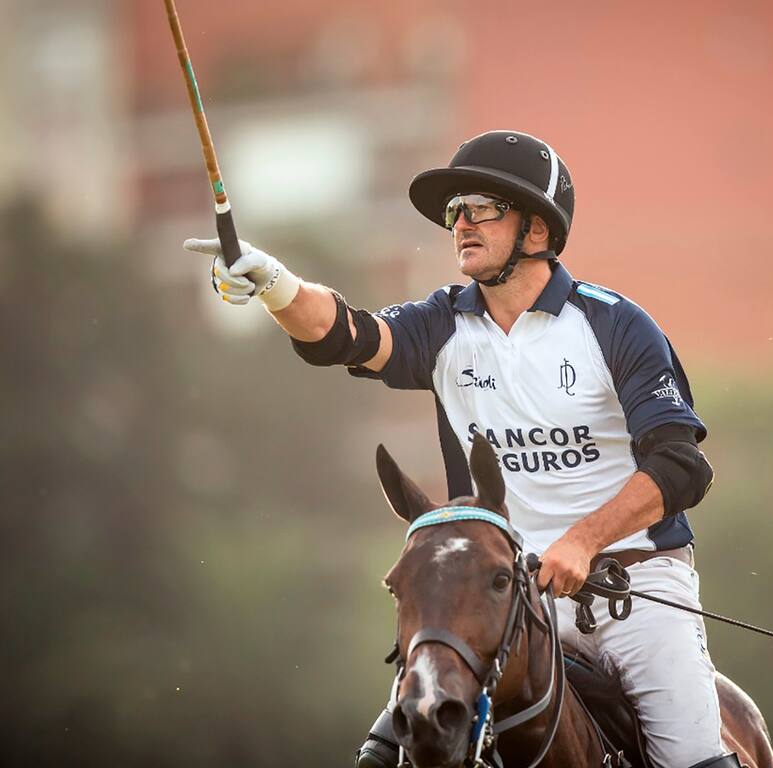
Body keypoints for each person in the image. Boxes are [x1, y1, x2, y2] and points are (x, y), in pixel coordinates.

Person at [184, 130, 741, 768]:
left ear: (536, 229)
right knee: (382, 757)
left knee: (698, 760)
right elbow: (345, 333)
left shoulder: (616, 325)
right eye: (457, 211)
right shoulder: (443, 324)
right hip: (505, 598)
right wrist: (274, 283)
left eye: (482, 208)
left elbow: (679, 465)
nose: (461, 223)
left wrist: (583, 540)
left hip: (635, 591)